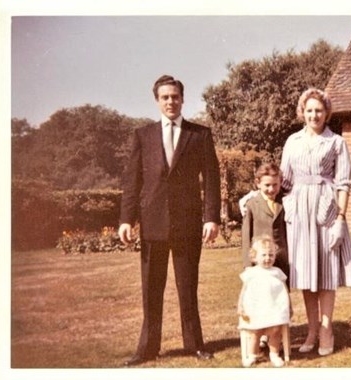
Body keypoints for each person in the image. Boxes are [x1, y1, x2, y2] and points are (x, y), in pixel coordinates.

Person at [118, 74, 221, 366]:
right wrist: (126, 219)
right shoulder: (143, 135)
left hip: (188, 224)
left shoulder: (199, 134)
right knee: (152, 290)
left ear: (182, 99)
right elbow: (132, 181)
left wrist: (211, 217)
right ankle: (147, 348)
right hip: (152, 225)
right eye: (165, 97)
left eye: (175, 96)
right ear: (157, 101)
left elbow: (212, 178)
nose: (170, 102)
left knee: (187, 287)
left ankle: (195, 344)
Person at [280, 88, 351, 356]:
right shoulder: (292, 141)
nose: (314, 115)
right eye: (309, 110)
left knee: (325, 273)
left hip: (326, 210)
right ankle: (312, 330)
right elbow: (283, 181)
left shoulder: (336, 143)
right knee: (305, 271)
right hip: (299, 212)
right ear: (303, 112)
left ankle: (327, 329)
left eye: (319, 110)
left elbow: (344, 183)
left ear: (327, 114)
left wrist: (340, 218)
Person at [237, 235, 292, 367]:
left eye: (271, 255)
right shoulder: (251, 272)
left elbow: (284, 290)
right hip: (256, 309)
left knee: (275, 330)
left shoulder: (277, 272)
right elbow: (243, 291)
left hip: (274, 308)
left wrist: (289, 306)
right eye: (264, 255)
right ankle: (253, 355)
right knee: (256, 332)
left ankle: (274, 353)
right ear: (254, 257)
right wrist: (240, 306)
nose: (268, 258)